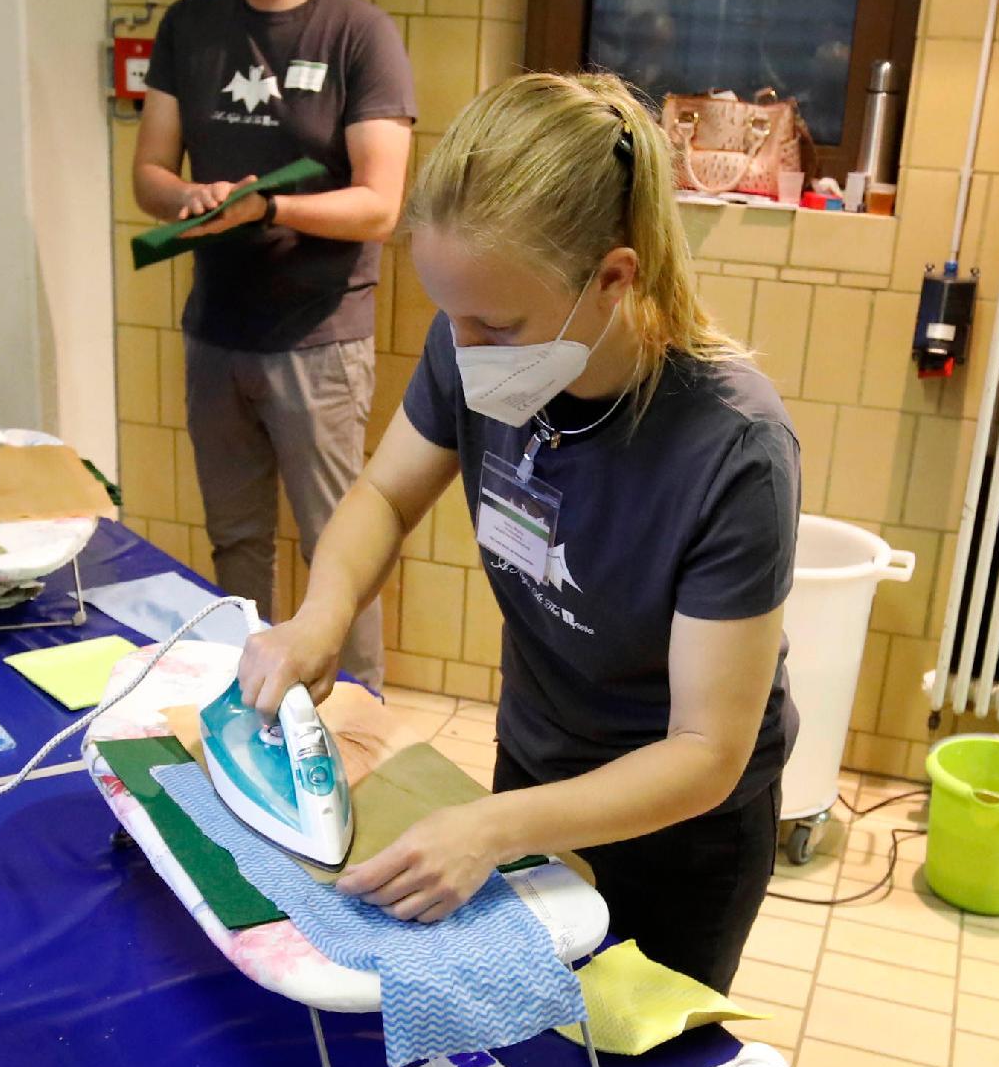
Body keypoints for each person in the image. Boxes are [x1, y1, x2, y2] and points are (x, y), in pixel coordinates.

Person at [240, 72, 803, 992]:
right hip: (535, 764)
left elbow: (707, 750)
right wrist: (319, 618)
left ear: (614, 277)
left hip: (678, 831)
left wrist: (495, 829)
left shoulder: (730, 451)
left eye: (496, 325)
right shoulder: (478, 340)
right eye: (449, 318)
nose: (466, 352)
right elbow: (383, 495)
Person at [132, 0, 416, 687]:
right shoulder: (191, 25)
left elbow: (381, 204)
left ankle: (358, 726)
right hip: (217, 333)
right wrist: (187, 200)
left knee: (342, 550)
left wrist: (272, 205)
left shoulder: (357, 34)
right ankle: (246, 711)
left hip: (320, 341)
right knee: (237, 542)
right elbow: (148, 171)